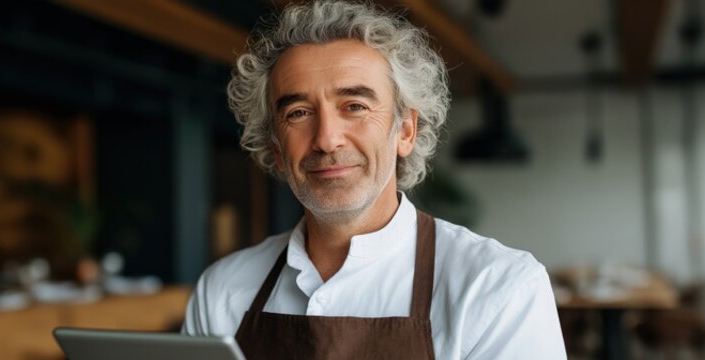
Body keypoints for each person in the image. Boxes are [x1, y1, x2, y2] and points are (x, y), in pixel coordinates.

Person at [182, 1, 566, 359]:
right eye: (298, 112)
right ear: (277, 148)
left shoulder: (497, 288)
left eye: (355, 106)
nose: (326, 138)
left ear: (406, 131)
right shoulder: (222, 291)